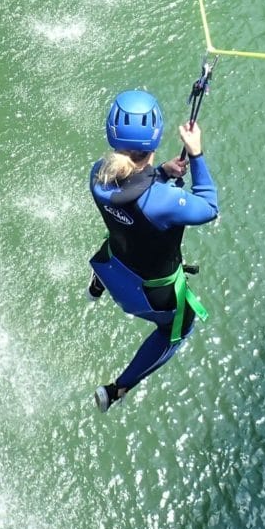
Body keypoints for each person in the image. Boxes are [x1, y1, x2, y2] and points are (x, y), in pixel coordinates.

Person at [88, 89, 219, 412]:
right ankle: (116, 390)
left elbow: (132, 185)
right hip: (150, 296)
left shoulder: (98, 175)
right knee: (178, 329)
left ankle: (95, 286)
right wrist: (196, 154)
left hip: (114, 264)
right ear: (155, 139)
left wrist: (160, 172)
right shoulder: (165, 202)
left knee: (120, 237)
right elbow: (209, 206)